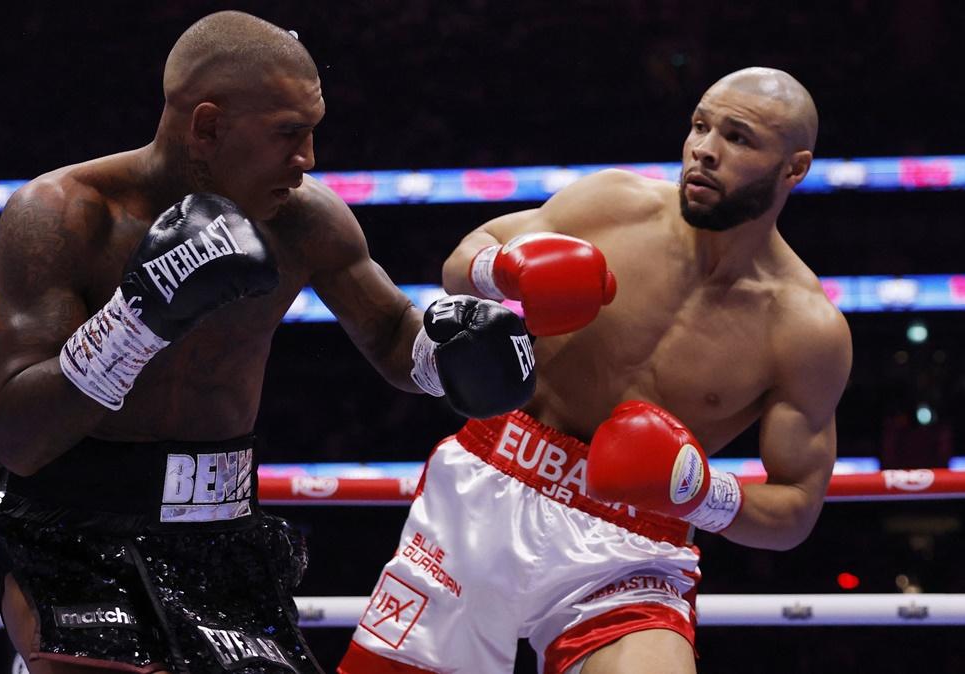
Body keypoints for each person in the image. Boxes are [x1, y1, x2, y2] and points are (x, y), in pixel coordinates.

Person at [0, 11, 535, 674]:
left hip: (222, 536)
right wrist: (136, 320)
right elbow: (17, 438)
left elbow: (393, 334)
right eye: (288, 135)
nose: (307, 160)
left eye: (311, 134)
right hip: (73, 532)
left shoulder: (305, 221)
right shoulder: (65, 215)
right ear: (209, 126)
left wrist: (447, 355)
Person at [339, 67, 853, 674]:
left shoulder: (804, 329)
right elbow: (465, 256)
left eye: (738, 139)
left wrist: (697, 493)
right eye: (700, 126)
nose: (704, 150)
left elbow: (795, 509)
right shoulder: (613, 205)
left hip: (631, 548)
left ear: (793, 168)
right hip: (491, 483)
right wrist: (503, 271)